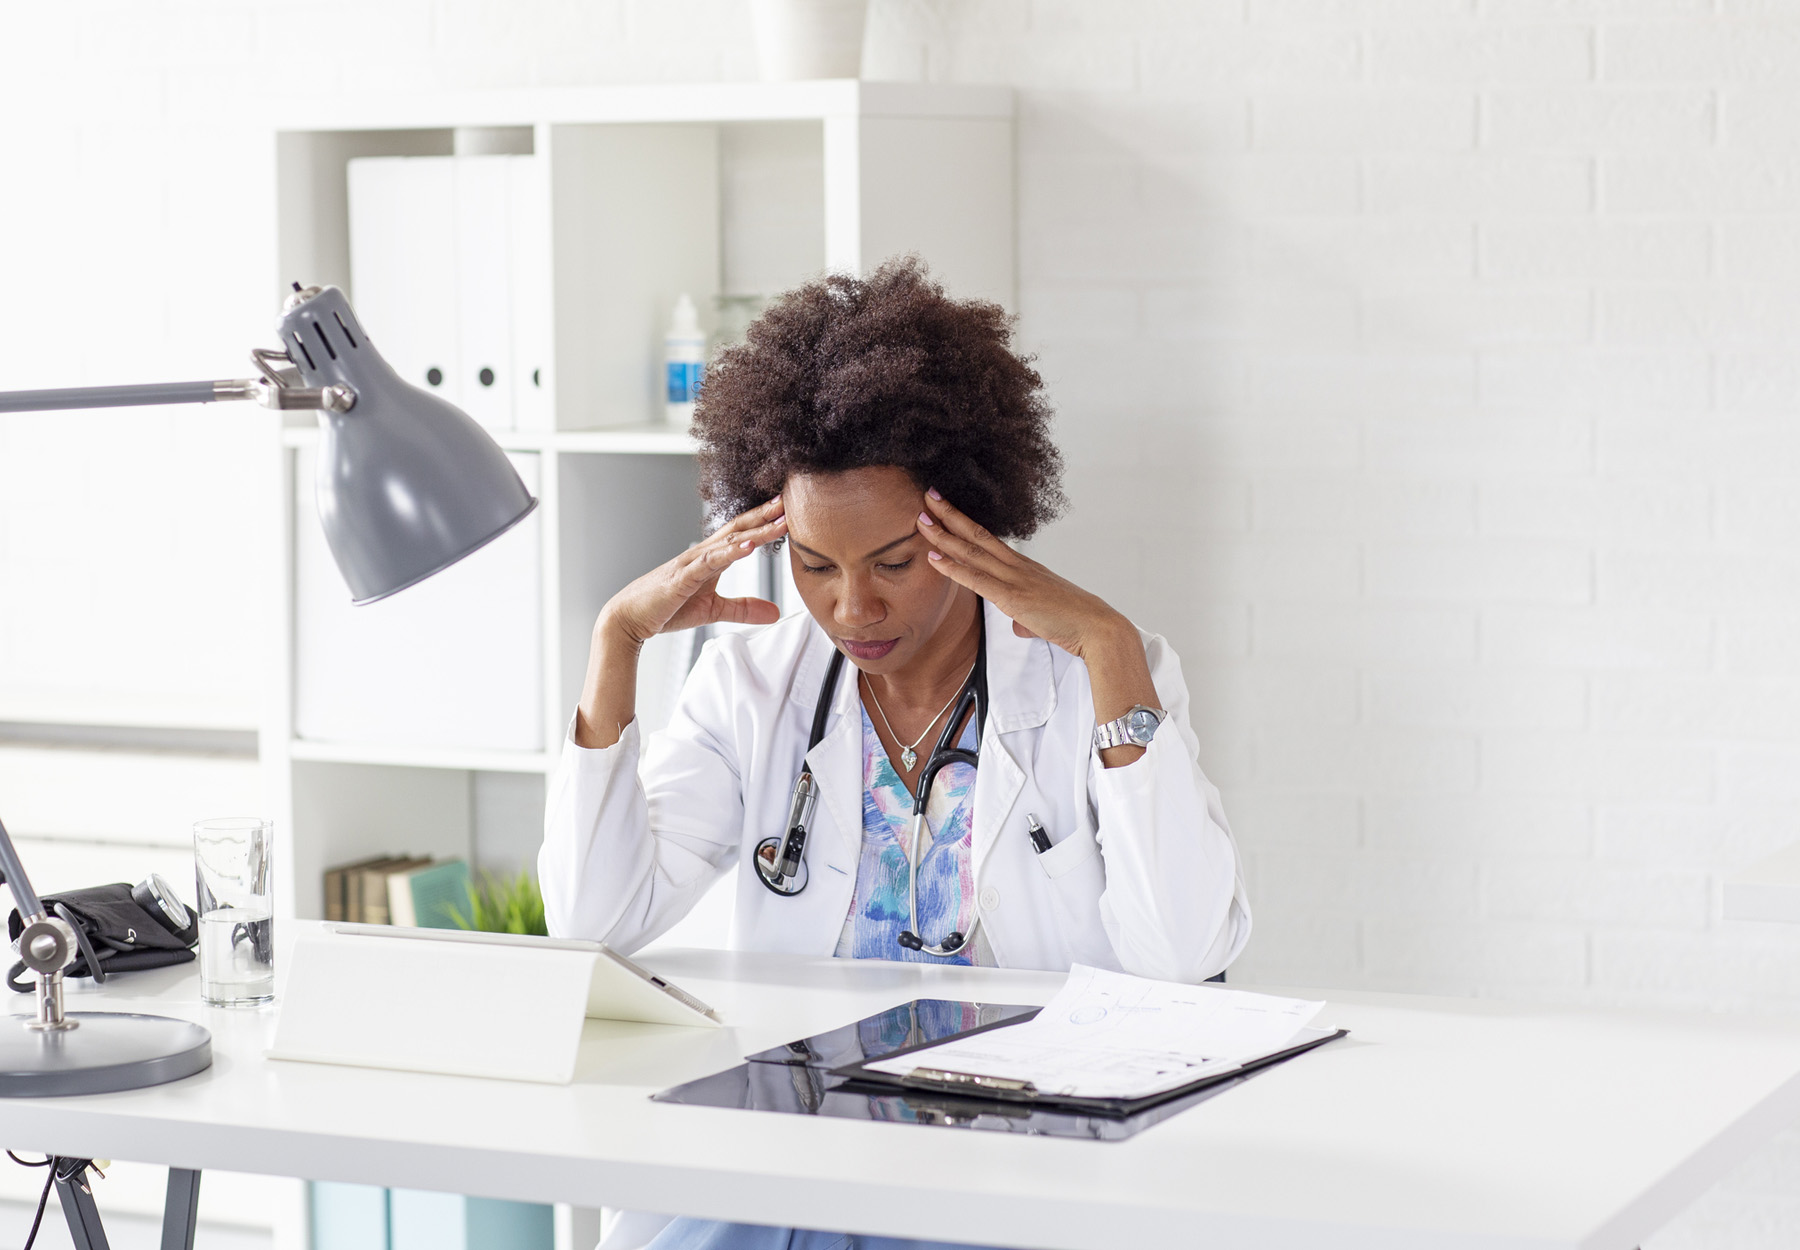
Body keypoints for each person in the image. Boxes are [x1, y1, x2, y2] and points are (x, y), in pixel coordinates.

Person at [539, 258, 1250, 1250]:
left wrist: (1109, 649)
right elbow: (593, 916)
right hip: (794, 1150)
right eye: (817, 565)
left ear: (970, 525)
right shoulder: (753, 686)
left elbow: (1184, 954)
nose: (851, 607)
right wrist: (614, 640)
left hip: (1017, 1158)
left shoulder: (1098, 677)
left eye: (895, 563)